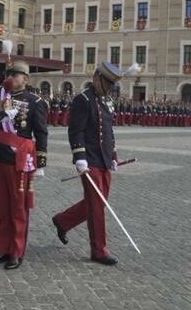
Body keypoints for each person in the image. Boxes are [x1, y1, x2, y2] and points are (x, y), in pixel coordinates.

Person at [52, 61, 123, 266]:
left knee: (99, 203)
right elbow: (76, 131)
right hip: (89, 159)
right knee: (97, 207)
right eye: (107, 83)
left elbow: (110, 132)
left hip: (103, 159)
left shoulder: (107, 100)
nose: (109, 88)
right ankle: (99, 250)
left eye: (111, 85)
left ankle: (63, 220)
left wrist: (114, 156)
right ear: (96, 78)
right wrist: (79, 157)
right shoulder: (83, 99)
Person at [0, 61, 47, 270]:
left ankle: (16, 251)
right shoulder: (1, 96)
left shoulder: (35, 101)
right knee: (2, 208)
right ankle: (2, 249)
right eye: (9, 74)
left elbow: (41, 132)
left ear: (26, 79)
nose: (11, 78)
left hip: (19, 160)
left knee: (18, 209)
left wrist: (40, 163)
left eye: (16, 75)